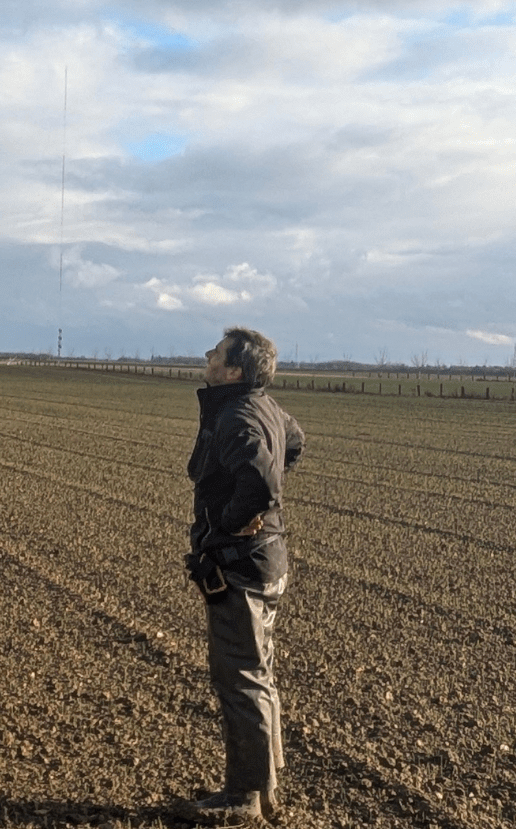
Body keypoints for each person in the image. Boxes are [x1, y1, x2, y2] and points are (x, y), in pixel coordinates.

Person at [181, 328, 305, 824]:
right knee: (259, 673)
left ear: (233, 370)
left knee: (241, 679)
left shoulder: (237, 416)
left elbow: (261, 483)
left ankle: (244, 797)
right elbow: (294, 443)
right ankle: (265, 783)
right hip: (267, 557)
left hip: (242, 564)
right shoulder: (263, 406)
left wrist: (230, 525)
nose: (207, 355)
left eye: (217, 352)